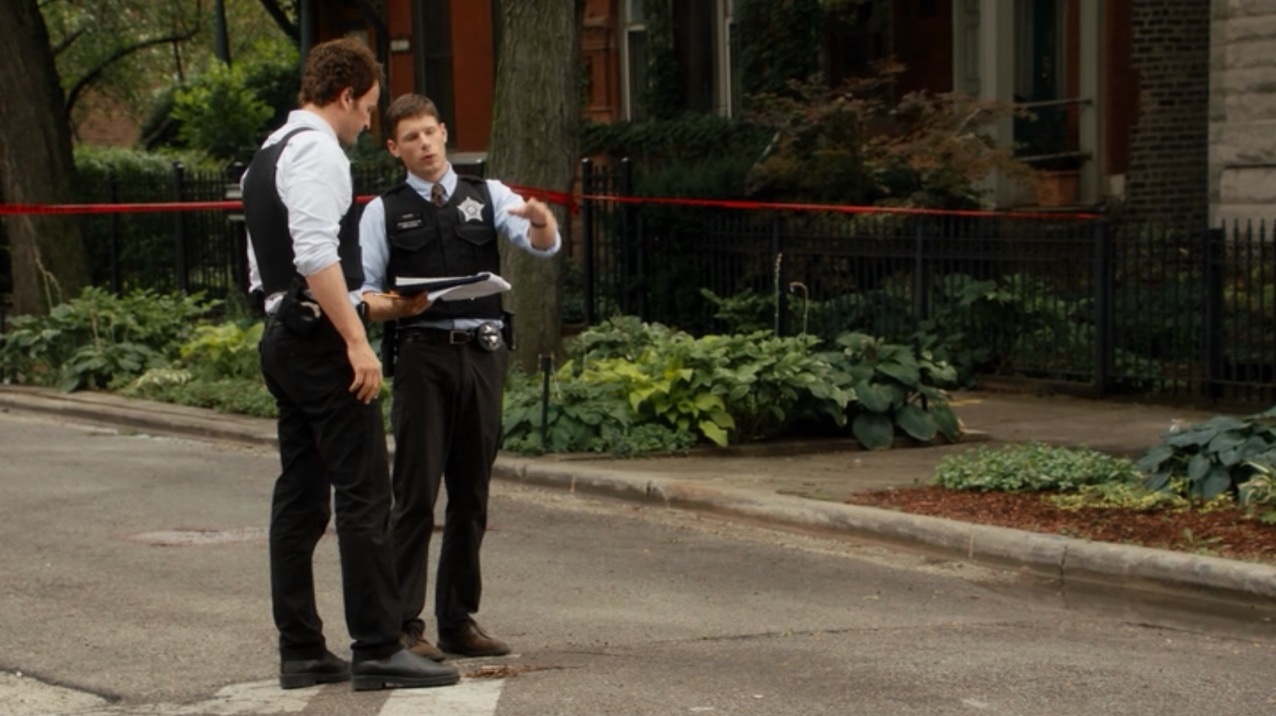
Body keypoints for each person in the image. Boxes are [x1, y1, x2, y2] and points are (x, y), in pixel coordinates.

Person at [242, 39, 458, 692]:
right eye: (367, 108)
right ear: (344, 96)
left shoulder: (268, 154)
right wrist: (356, 340)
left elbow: (268, 271)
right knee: (365, 492)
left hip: (284, 334)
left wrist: (374, 306)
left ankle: (301, 648)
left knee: (301, 497)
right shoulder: (318, 152)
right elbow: (316, 255)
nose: (368, 122)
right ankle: (378, 646)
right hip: (319, 343)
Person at [358, 93, 560, 661]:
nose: (424, 144)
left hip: (483, 352)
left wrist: (542, 221)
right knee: (416, 494)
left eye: (430, 132)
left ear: (444, 132)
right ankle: (404, 626)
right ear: (394, 148)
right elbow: (364, 294)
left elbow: (542, 246)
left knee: (471, 494)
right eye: (411, 138)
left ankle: (458, 620)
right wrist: (398, 306)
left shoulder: (486, 194)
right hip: (423, 354)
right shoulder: (383, 211)